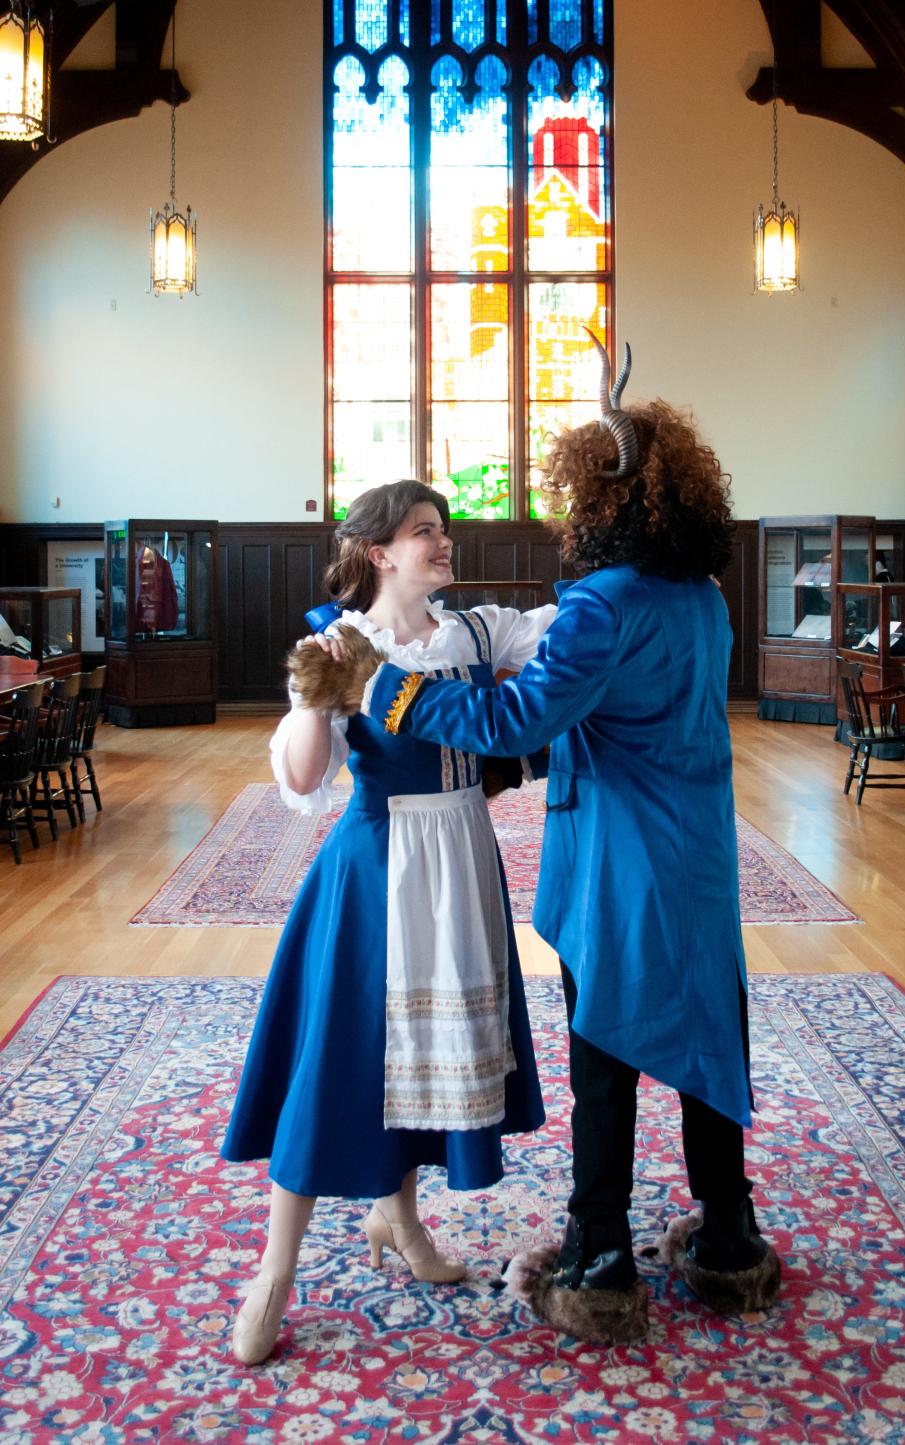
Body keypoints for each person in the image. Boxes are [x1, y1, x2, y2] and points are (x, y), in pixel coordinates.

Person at [298, 335, 783, 1344]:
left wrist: (383, 687)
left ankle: (601, 1259)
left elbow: (511, 723)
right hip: (700, 855)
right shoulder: (701, 596)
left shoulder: (602, 606)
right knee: (703, 1033)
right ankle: (729, 1240)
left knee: (605, 1053)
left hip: (623, 861)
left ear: (602, 498)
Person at [221, 480, 552, 1365]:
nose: (442, 545)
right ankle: (274, 1271)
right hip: (376, 873)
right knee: (339, 1064)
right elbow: (299, 781)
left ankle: (397, 1215)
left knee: (417, 1064)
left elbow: (567, 631)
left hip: (464, 859)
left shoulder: (476, 631)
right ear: (380, 552)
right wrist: (305, 697)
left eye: (443, 531)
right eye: (423, 533)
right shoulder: (342, 642)